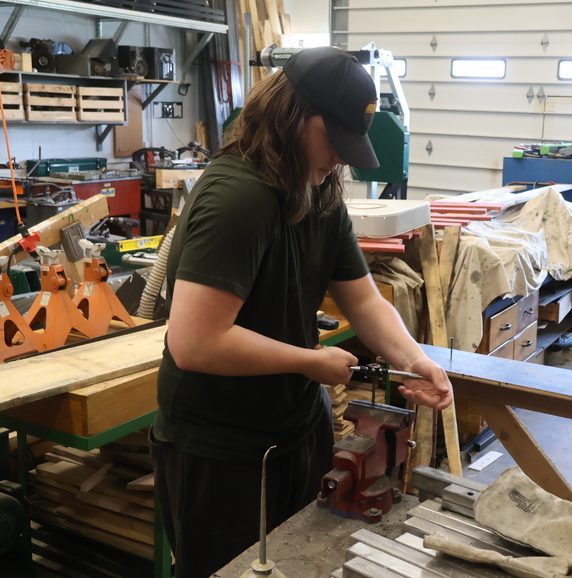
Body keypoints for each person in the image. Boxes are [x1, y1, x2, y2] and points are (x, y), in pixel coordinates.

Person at [150, 46, 454, 576]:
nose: (338, 156)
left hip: (293, 426)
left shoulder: (320, 192)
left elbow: (362, 297)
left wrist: (414, 357)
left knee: (304, 560)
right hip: (221, 445)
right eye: (331, 140)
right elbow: (195, 342)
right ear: (292, 114)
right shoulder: (237, 197)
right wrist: (310, 362)